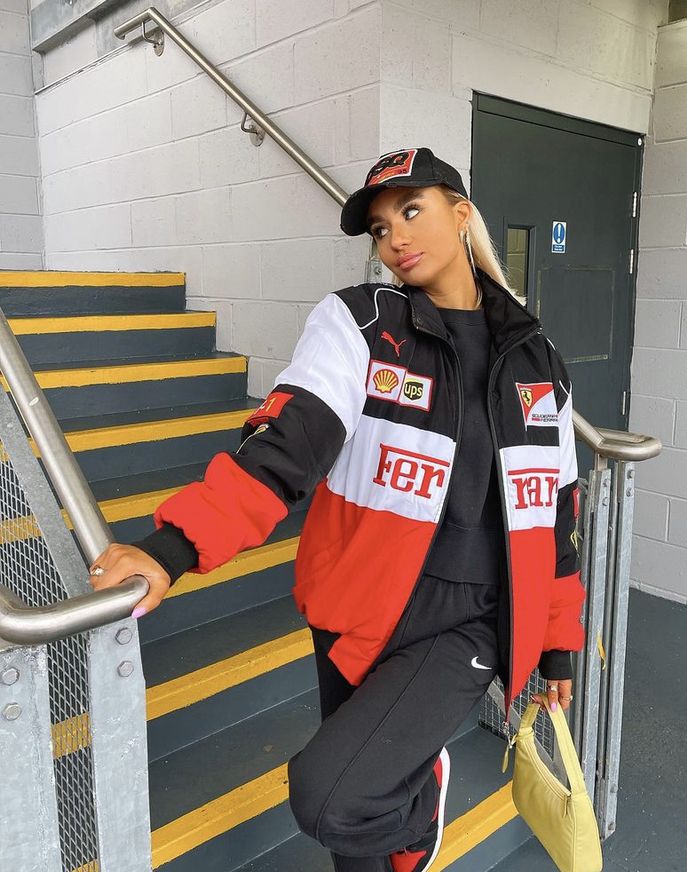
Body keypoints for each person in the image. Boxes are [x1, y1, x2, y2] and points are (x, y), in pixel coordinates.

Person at [90, 146, 586, 872]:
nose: (395, 239)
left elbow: (557, 517)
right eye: (380, 229)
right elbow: (286, 445)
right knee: (356, 831)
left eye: (411, 211)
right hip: (361, 599)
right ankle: (402, 813)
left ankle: (417, 812)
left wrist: (556, 644)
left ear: (461, 214)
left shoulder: (538, 360)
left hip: (475, 615)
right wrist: (170, 549)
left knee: (334, 796)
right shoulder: (361, 324)